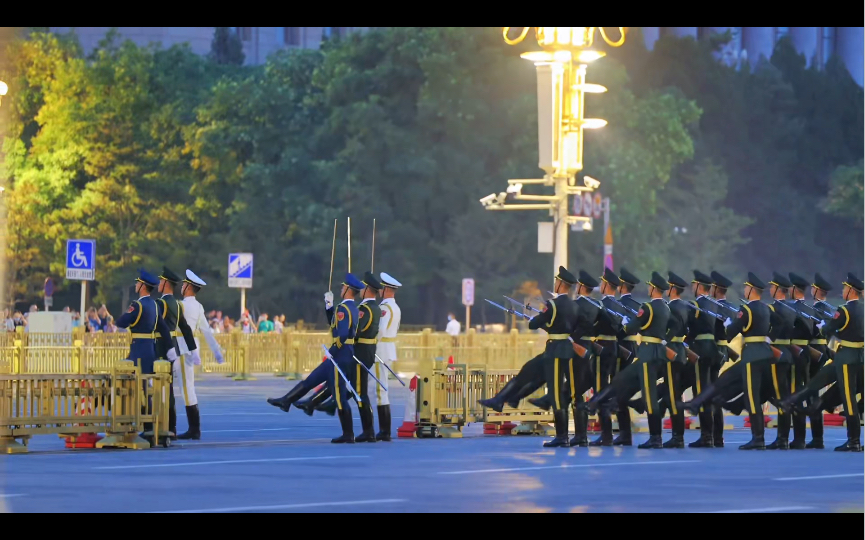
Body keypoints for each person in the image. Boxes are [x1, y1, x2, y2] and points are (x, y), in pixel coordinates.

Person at [267, 273, 363, 443]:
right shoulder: (350, 308)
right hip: (343, 353)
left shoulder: (344, 309)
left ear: (348, 290)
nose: (341, 288)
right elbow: (335, 324)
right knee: (312, 379)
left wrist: (332, 351)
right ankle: (286, 401)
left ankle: (348, 434)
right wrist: (328, 307)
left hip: (340, 356)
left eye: (343, 287)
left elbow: (341, 335)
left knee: (340, 397)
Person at [583, 271, 672, 449]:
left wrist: (621, 325)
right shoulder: (666, 307)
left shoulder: (647, 308)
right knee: (624, 385)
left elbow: (629, 328)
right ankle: (626, 429)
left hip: (645, 354)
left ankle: (653, 437)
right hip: (656, 352)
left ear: (654, 288)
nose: (648, 288)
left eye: (650, 286)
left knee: (648, 395)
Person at [779, 273, 863, 452]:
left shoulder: (845, 310)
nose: (843, 290)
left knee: (849, 401)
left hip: (848, 358)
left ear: (851, 291)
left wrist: (822, 327)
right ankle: (790, 402)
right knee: (817, 383)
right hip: (852, 355)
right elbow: (845, 331)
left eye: (845, 288)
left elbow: (829, 330)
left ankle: (854, 441)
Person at [114, 270, 176, 440]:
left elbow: (122, 322)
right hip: (151, 350)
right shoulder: (155, 305)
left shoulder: (138, 305)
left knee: (134, 388)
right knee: (147, 389)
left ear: (142, 286)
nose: (135, 285)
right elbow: (163, 328)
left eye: (137, 283)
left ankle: (129, 422)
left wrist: (119, 320)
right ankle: (150, 426)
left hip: (138, 351)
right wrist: (171, 350)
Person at [177, 269, 226, 440]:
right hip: (190, 349)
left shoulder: (181, 305)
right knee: (188, 386)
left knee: (185, 388)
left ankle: (193, 429)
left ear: (188, 287)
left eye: (184, 284)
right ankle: (194, 428)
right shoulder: (198, 307)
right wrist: (217, 352)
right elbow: (206, 331)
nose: (182, 286)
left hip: (181, 348)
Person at [156, 267, 199, 441]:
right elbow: (186, 330)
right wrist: (193, 349)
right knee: (169, 389)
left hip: (160, 347)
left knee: (158, 388)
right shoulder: (178, 305)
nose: (159, 284)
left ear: (166, 283)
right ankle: (171, 427)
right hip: (174, 348)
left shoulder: (162, 303)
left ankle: (160, 427)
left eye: (161, 281)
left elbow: (160, 327)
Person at [684, 270, 724, 448]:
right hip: (714, 351)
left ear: (699, 287)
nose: (693, 287)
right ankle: (718, 437)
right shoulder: (716, 305)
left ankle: (706, 436)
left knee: (701, 393)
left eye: (694, 285)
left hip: (700, 351)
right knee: (713, 394)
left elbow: (689, 329)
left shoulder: (695, 305)